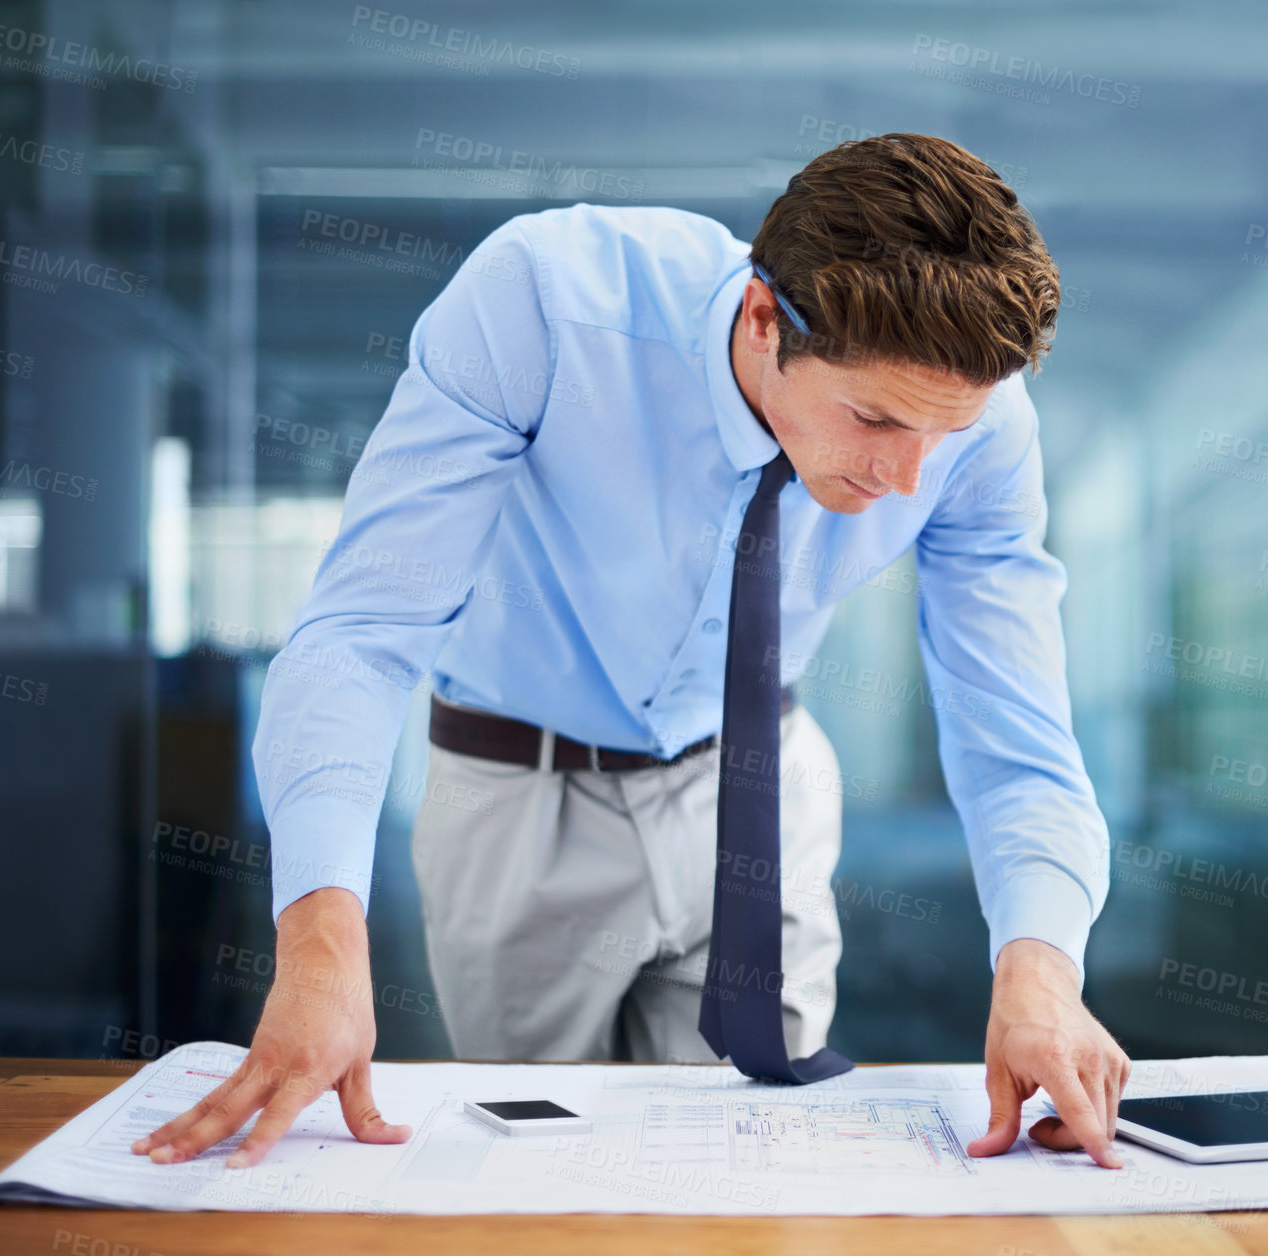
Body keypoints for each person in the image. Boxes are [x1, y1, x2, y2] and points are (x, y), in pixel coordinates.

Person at [133, 132, 1129, 1172]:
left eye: (944, 435)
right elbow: (361, 631)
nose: (911, 479)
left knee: (759, 1172)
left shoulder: (981, 420)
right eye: (875, 417)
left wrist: (1043, 969)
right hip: (518, 791)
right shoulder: (543, 304)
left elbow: (1014, 726)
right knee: (533, 1175)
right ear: (762, 320)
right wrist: (319, 945)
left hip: (756, 785)